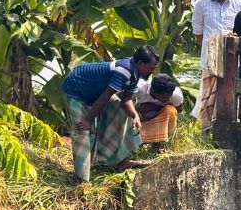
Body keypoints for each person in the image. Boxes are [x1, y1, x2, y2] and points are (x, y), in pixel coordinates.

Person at [62, 46, 159, 181]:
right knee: (81, 131)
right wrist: (88, 120)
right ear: (141, 64)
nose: (152, 71)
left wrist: (135, 116)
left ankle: (121, 161)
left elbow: (126, 100)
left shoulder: (135, 74)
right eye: (151, 68)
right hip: (77, 90)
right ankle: (81, 179)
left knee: (122, 113)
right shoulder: (124, 70)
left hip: (96, 94)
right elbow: (106, 96)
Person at [190, 0, 241, 131]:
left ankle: (229, 130)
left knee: (230, 94)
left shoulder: (239, 6)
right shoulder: (201, 5)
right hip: (210, 60)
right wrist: (212, 50)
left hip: (232, 60)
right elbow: (198, 33)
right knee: (207, 98)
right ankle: (205, 132)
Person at [136, 73, 184, 150]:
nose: (168, 99)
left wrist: (156, 107)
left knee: (171, 110)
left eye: (170, 96)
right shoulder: (139, 88)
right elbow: (125, 102)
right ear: (154, 91)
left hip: (160, 118)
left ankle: (163, 143)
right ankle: (136, 142)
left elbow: (179, 110)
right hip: (140, 119)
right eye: (165, 96)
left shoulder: (176, 95)